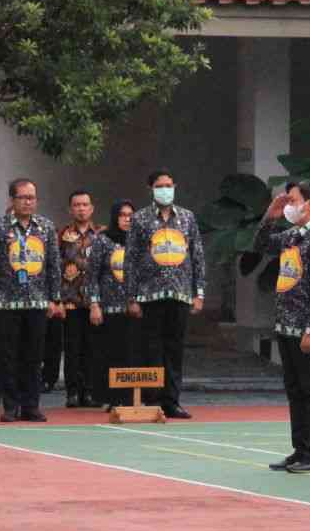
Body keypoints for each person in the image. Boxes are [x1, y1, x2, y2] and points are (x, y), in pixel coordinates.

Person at [251, 181, 310, 473]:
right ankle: (300, 448)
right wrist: (270, 216)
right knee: (295, 388)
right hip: (286, 323)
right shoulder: (292, 236)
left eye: (294, 200)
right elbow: (260, 246)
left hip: (305, 327)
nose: (289, 204)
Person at [126, 170, 205, 420]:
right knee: (152, 349)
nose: (165, 189)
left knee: (175, 349)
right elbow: (131, 260)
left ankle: (172, 401)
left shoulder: (187, 218)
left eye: (169, 185)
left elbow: (198, 257)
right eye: (160, 186)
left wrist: (199, 293)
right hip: (150, 295)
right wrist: (132, 297)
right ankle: (152, 399)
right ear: (151, 188)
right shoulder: (140, 219)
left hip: (180, 294)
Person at [0, 178, 61, 423]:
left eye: (32, 198)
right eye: (23, 197)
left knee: (34, 356)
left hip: (38, 302)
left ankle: (31, 405)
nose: (28, 202)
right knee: (8, 356)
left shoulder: (46, 227)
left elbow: (53, 264)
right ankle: (10, 406)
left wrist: (54, 298)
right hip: (7, 301)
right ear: (12, 200)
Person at [57, 191, 105, 409]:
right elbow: (54, 266)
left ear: (92, 208)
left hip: (95, 302)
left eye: (85, 204)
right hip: (70, 301)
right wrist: (56, 299)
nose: (81, 208)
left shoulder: (102, 234)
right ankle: (73, 392)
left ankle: (91, 392)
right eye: (76, 205)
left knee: (94, 348)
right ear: (70, 209)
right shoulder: (61, 234)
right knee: (73, 347)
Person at [93, 200, 137, 410]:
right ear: (114, 217)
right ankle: (112, 398)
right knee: (110, 354)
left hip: (135, 309)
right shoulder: (102, 241)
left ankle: (131, 397)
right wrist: (94, 304)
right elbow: (92, 276)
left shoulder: (139, 241)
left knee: (132, 353)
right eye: (122, 215)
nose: (127, 219)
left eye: (130, 215)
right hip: (109, 308)